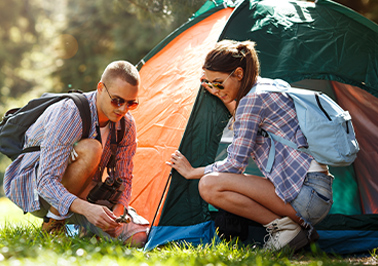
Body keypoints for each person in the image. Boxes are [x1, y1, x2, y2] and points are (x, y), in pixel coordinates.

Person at [166, 40, 334, 251]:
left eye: (219, 82)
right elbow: (245, 119)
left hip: (306, 195)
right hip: (315, 192)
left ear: (238, 74)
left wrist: (192, 172)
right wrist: (222, 92)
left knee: (208, 185)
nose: (216, 88)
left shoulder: (251, 102)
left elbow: (236, 164)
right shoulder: (265, 87)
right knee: (213, 182)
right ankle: (294, 227)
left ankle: (286, 229)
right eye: (211, 83)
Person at [3, 60, 148, 247]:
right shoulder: (70, 113)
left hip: (85, 191)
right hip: (37, 191)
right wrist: (88, 209)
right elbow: (46, 182)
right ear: (101, 88)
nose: (123, 109)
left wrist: (118, 210)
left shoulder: (126, 124)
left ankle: (80, 229)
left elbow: (124, 178)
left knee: (137, 238)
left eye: (131, 103)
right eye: (117, 100)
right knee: (92, 149)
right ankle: (54, 224)